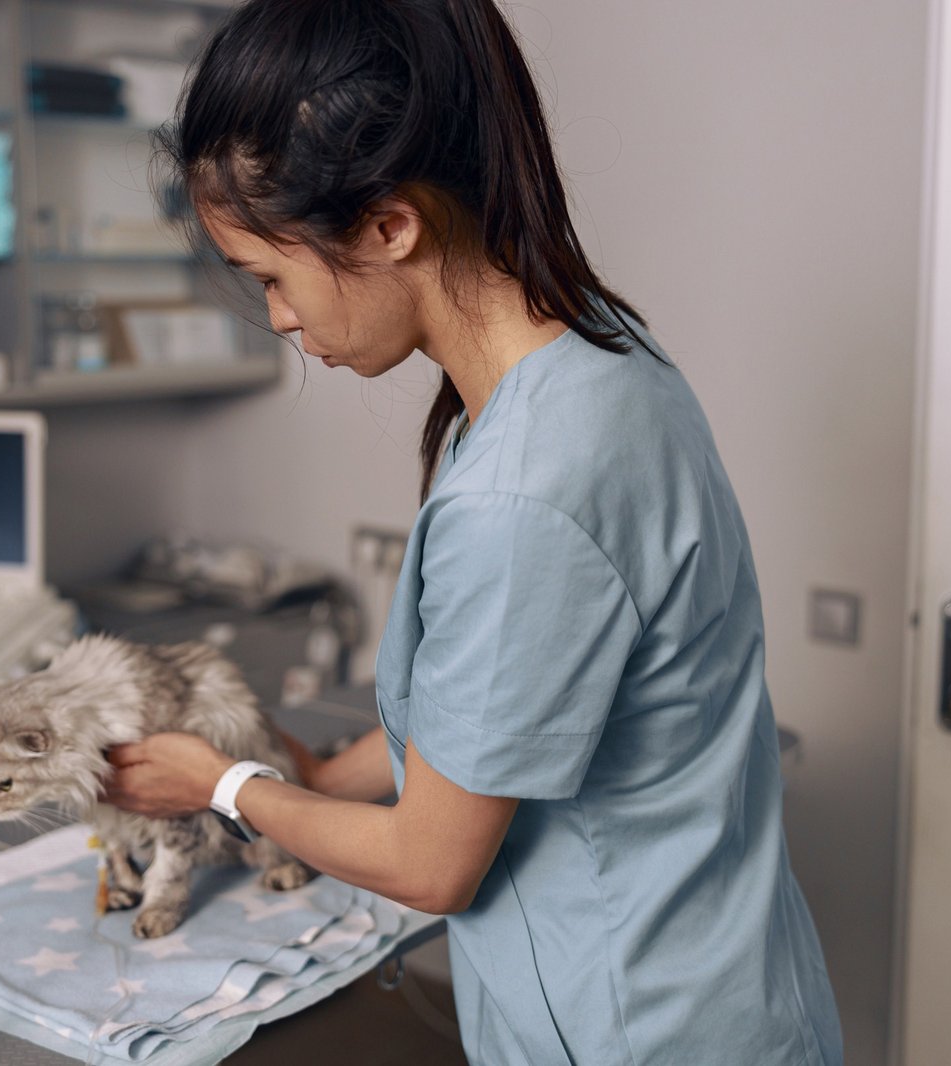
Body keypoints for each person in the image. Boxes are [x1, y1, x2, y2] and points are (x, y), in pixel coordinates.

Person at [104, 1, 844, 1062]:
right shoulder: (596, 356)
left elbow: (429, 862)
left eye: (271, 276)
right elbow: (487, 724)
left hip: (637, 1031)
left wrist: (223, 786)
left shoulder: (524, 493)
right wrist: (316, 775)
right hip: (726, 988)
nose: (276, 318)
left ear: (389, 224)